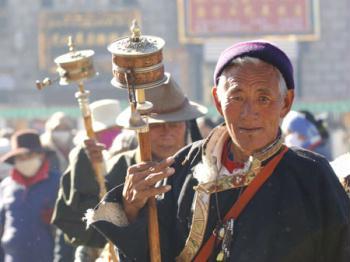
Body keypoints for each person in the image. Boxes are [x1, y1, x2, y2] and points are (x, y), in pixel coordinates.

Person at [85, 41, 350, 262]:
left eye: (264, 98)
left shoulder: (312, 176)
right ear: (217, 100)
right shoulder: (181, 167)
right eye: (236, 97)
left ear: (286, 102)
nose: (250, 113)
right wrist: (132, 210)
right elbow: (156, 253)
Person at [51, 74, 207, 261]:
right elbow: (84, 232)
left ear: (187, 125)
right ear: (140, 127)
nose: (167, 134)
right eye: (157, 126)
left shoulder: (205, 169)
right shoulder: (121, 167)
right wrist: (126, 207)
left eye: (175, 124)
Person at [0, 130, 60, 262]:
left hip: (48, 257)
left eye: (29, 155)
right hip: (12, 258)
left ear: (41, 155)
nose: (25, 160)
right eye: (20, 157)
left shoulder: (58, 183)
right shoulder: (6, 186)